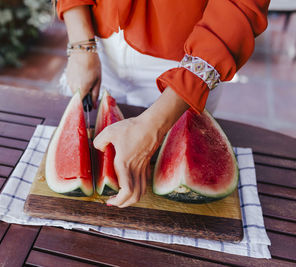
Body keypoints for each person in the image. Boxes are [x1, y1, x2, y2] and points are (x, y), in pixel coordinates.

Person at [56, 1, 269, 208]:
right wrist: (80, 46)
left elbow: (239, 5)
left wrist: (155, 126)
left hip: (185, 64)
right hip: (97, 44)